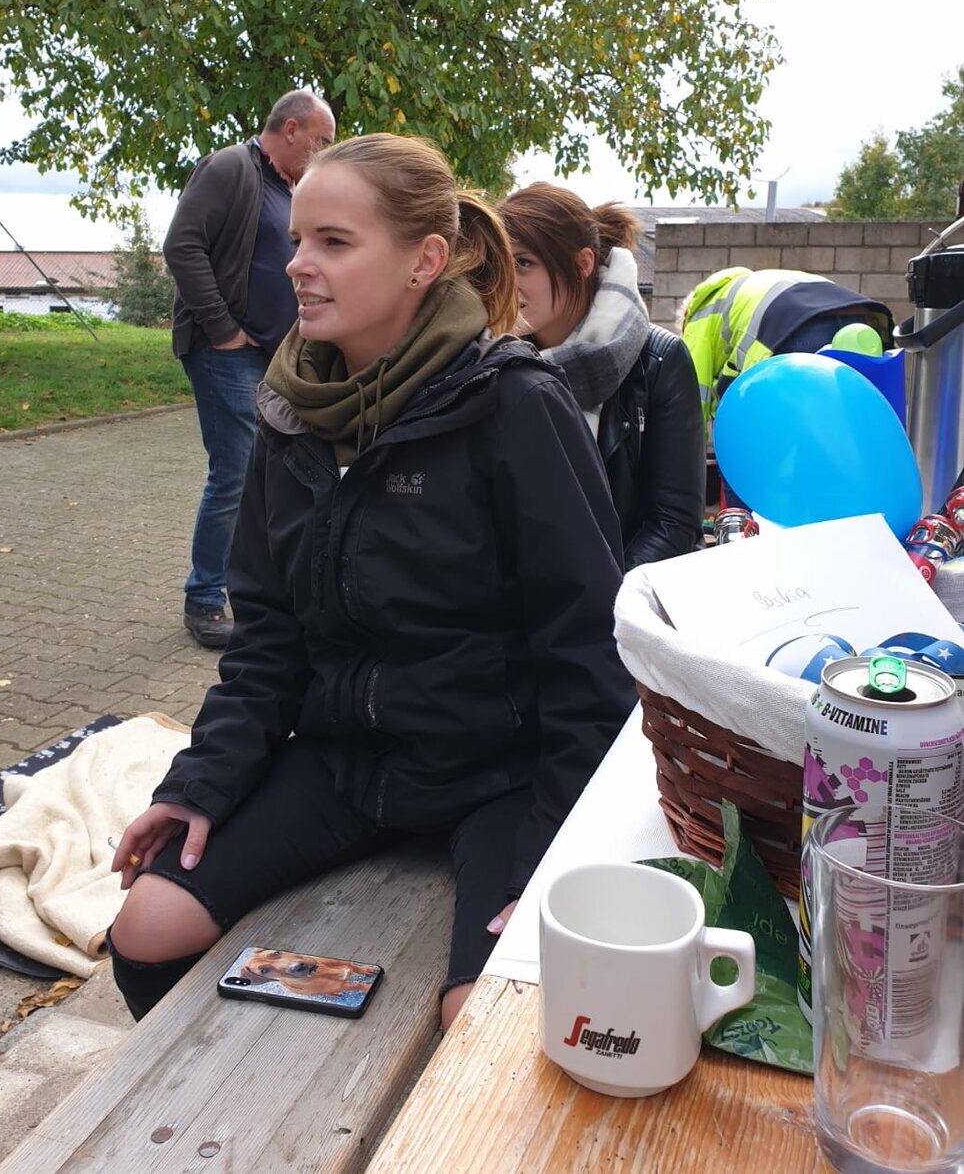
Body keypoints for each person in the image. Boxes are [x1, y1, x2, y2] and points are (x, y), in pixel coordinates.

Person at [110, 133, 636, 1031]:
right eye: (298, 239)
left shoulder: (515, 403)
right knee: (145, 928)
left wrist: (558, 848)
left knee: (482, 1018)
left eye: (334, 242)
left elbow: (588, 648)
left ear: (423, 261)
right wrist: (198, 783)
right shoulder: (289, 414)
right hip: (345, 763)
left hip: (499, 774)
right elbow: (266, 639)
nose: (298, 265)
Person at [163, 90, 336, 648]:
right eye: (322, 140)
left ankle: (260, 590)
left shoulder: (291, 188)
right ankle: (204, 596)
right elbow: (182, 246)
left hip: (274, 355)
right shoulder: (230, 168)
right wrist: (222, 329)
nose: (324, 151)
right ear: (291, 129)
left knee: (274, 471)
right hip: (228, 352)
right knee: (236, 474)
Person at [501, 184, 704, 569]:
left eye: (523, 263)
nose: (507, 281)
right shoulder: (494, 361)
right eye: (500, 264)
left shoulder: (659, 361)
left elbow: (672, 523)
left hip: (620, 592)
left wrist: (602, 596)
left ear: (583, 263)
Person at [681, 266, 895, 427]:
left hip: (797, 327)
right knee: (852, 417)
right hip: (865, 319)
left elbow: (691, 401)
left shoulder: (699, 317)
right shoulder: (750, 286)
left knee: (747, 426)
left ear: (684, 319)